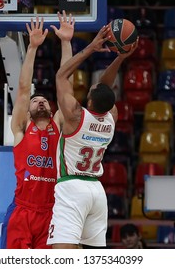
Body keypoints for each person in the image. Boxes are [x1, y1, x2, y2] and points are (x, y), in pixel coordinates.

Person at [47, 25, 139, 249]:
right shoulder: (111, 118)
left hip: (72, 187)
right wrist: (121, 58)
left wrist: (91, 47)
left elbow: (61, 76)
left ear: (89, 101)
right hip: (97, 192)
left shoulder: (75, 117)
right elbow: (105, 88)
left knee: (62, 256)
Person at [0, 11, 74, 249]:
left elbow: (66, 87)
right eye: (35, 101)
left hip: (50, 212)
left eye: (44, 100)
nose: (40, 101)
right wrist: (32, 48)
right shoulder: (22, 128)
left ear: (52, 110)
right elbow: (22, 90)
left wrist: (66, 41)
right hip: (23, 210)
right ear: (28, 111)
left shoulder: (58, 125)